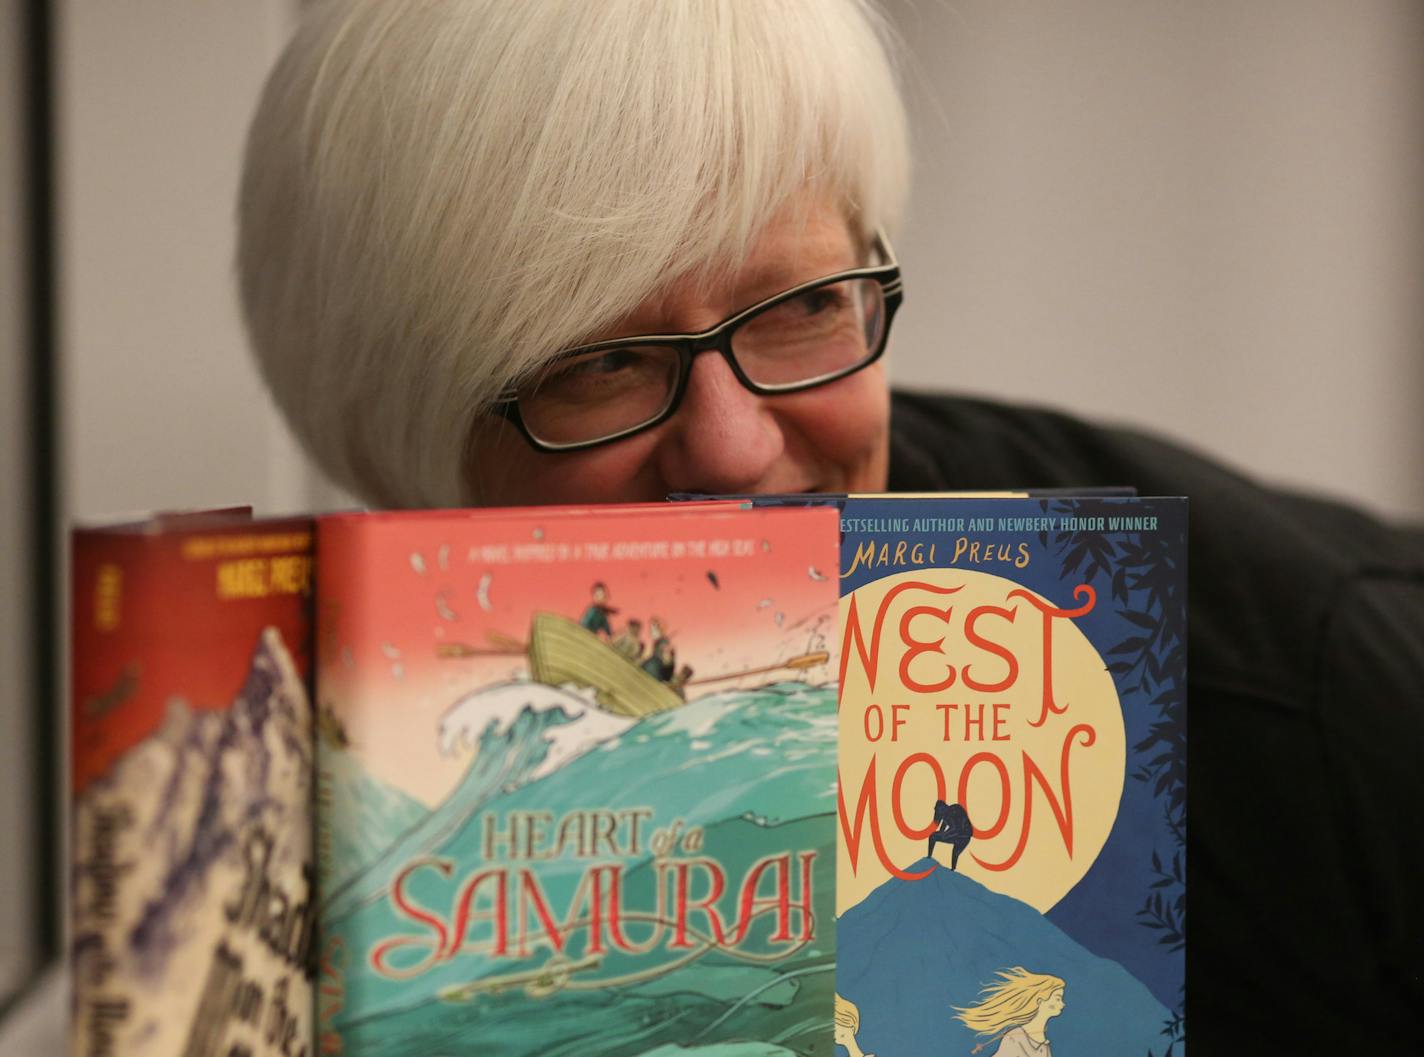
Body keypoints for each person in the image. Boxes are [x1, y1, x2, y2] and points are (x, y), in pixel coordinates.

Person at [236, 1, 1423, 1049]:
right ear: (402, 441)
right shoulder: (307, 765)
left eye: (800, 306)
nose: (737, 446)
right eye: (597, 363)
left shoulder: (1294, 697)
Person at [954, 969, 1066, 1057]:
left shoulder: (1044, 1042)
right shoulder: (1015, 1037)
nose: (1062, 1004)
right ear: (1040, 1001)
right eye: (1057, 998)